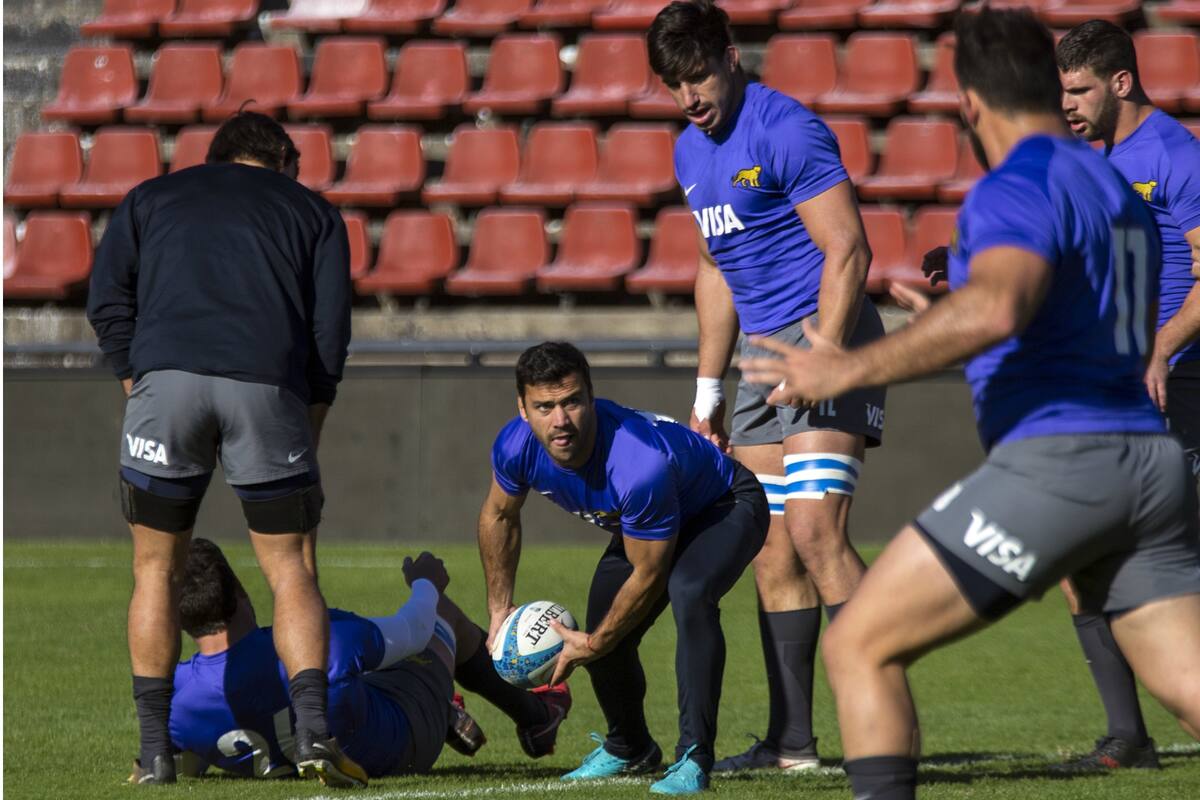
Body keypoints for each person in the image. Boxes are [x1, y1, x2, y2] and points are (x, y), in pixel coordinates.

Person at [740, 9, 1200, 800]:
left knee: (860, 647)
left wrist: (845, 367)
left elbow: (995, 308)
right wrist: (947, 322)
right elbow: (1060, 324)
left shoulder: (1015, 183)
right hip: (1148, 468)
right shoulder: (1112, 185)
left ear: (971, 105)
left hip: (1065, 465)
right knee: (1186, 680)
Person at [646, 0, 885, 772]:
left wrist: (825, 353)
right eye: (673, 84)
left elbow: (849, 251)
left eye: (697, 76)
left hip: (827, 334)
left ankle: (879, 725)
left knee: (819, 534)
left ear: (730, 57)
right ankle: (793, 744)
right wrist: (708, 394)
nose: (689, 96)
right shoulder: (689, 152)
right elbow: (714, 270)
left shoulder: (787, 129)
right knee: (771, 551)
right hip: (753, 358)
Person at [86, 112, 356, 786]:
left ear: (219, 159)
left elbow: (106, 298)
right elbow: (330, 332)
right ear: (284, 162)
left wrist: (137, 380)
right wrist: (311, 416)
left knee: (155, 570)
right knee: (291, 569)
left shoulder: (150, 196)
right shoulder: (312, 212)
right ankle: (315, 735)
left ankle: (154, 752)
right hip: (266, 388)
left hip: (163, 385)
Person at [478, 342, 768, 794]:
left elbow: (650, 575)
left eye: (572, 401)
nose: (560, 420)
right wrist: (499, 608)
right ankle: (629, 747)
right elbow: (499, 516)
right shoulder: (516, 447)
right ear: (523, 408)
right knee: (601, 622)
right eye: (545, 406)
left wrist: (596, 644)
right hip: (649, 523)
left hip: (723, 506)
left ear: (591, 397)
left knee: (689, 593)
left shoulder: (637, 463)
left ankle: (694, 757)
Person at [1055, 19, 1200, 771]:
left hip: (1179, 384)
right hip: (1114, 388)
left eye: (1079, 90)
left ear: (1119, 82)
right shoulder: (1093, 159)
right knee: (1083, 557)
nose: (1067, 104)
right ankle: (1127, 736)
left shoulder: (1176, 155)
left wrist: (1163, 347)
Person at [166, 540, 571, 781]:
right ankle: (536, 716)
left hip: (351, 711)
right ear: (240, 592)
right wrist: (426, 582)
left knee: (353, 672)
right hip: (402, 740)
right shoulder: (313, 636)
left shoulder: (176, 700)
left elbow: (189, 760)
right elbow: (413, 629)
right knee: (440, 614)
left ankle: (449, 707)